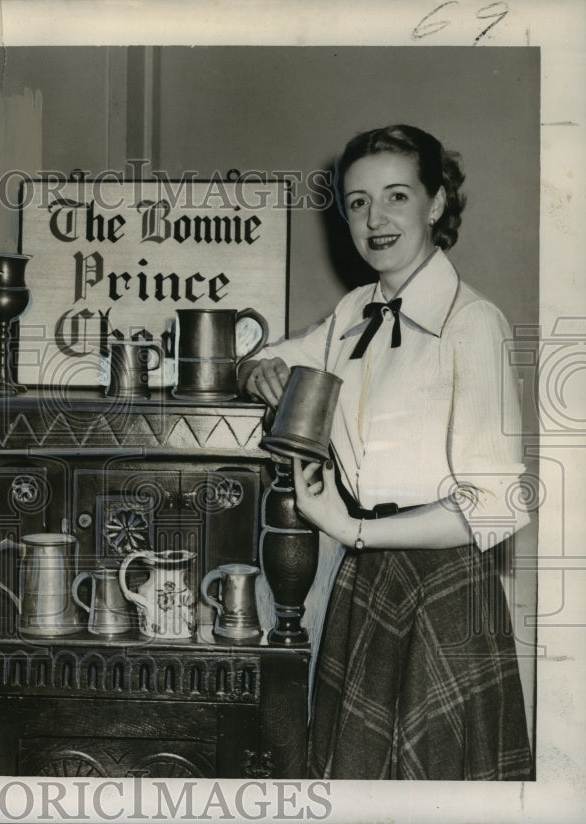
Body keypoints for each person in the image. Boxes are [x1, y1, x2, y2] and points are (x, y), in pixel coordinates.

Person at [239, 125, 533, 780]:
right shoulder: (354, 312)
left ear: (435, 203)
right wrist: (257, 368)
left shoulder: (472, 322)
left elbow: (495, 509)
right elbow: (272, 357)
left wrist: (351, 529)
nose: (375, 219)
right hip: (370, 577)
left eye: (396, 196)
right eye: (357, 202)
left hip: (448, 583)